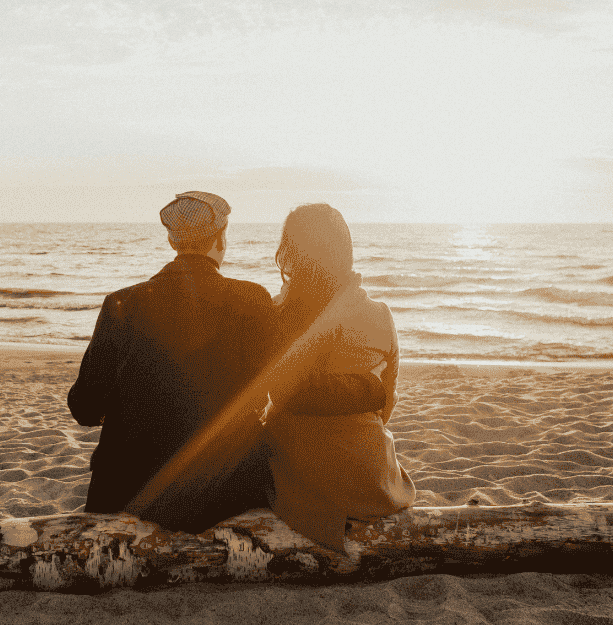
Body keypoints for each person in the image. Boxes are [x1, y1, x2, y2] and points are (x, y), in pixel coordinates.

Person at [67, 191, 385, 534]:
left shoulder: (120, 304)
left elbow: (84, 409)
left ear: (172, 241)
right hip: (217, 499)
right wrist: (371, 388)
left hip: (122, 492)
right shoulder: (250, 299)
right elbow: (288, 386)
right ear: (221, 239)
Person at [262, 203, 416, 553]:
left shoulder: (277, 311)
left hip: (301, 479)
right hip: (370, 481)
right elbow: (386, 408)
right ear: (345, 251)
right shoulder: (380, 314)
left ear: (290, 253)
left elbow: (271, 394)